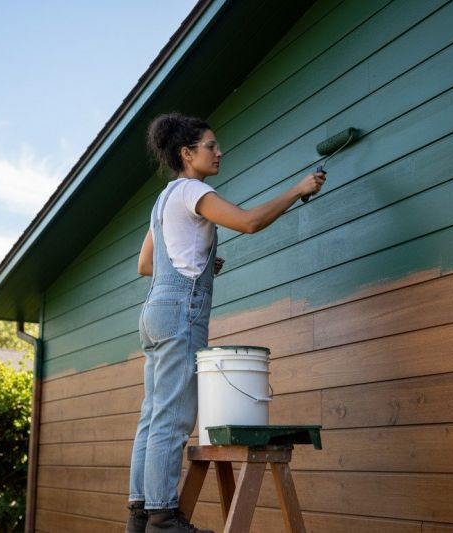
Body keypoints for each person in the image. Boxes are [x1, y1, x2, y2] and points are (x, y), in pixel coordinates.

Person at [126, 113, 325, 533]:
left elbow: (146, 263)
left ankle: (140, 515)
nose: (220, 152)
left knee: (153, 415)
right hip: (180, 314)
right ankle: (163, 517)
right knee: (173, 418)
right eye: (211, 146)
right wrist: (298, 189)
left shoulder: (164, 199)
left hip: (154, 312)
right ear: (187, 153)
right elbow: (249, 222)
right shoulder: (194, 190)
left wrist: (202, 260)